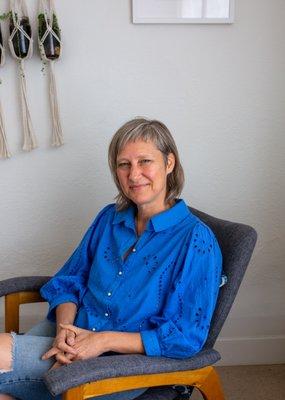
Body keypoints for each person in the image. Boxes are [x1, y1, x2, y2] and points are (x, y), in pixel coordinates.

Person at [0, 118, 222, 400]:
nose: (134, 174)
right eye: (124, 164)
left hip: (120, 362)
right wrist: (65, 330)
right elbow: (69, 280)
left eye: (145, 161)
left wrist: (102, 340)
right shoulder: (109, 219)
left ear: (169, 163)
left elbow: (186, 336)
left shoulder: (196, 241)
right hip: (71, 333)